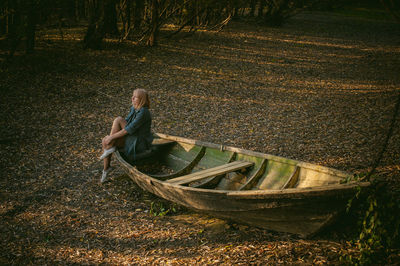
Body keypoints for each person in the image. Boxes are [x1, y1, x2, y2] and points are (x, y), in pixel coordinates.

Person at [99, 89, 153, 183]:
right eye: (132, 96)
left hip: (139, 141)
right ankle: (106, 168)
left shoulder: (144, 112)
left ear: (141, 99)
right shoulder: (134, 108)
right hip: (133, 136)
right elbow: (127, 123)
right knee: (106, 140)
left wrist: (112, 137)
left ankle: (107, 164)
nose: (132, 98)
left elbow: (129, 128)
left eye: (135, 97)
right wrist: (112, 137)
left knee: (117, 123)